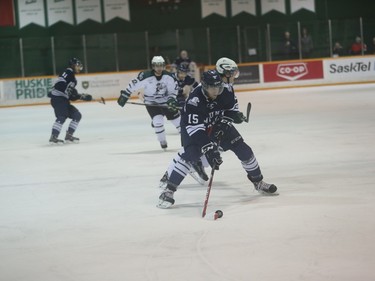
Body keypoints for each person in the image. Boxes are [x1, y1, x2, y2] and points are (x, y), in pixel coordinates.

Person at [157, 68, 277, 209]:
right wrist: (210, 149)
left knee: (244, 150)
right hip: (194, 129)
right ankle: (168, 191)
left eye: (218, 87)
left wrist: (227, 121)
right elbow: (196, 130)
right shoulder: (194, 100)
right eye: (212, 88)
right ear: (205, 86)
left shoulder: (225, 90)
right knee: (190, 156)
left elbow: (231, 110)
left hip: (216, 124)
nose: (216, 91)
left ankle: (258, 182)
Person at [117, 56, 180, 150]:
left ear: (163, 66)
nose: (159, 68)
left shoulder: (169, 77)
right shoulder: (145, 76)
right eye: (157, 66)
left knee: (178, 122)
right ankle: (162, 141)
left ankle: (188, 142)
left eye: (161, 65)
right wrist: (126, 94)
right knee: (157, 122)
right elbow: (134, 84)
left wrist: (172, 99)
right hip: (151, 102)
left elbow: (173, 91)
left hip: (165, 101)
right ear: (153, 66)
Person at [48, 57, 92, 144]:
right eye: (77, 65)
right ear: (72, 65)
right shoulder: (67, 72)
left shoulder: (74, 80)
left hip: (64, 100)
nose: (79, 67)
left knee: (77, 115)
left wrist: (81, 97)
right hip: (57, 99)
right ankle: (53, 137)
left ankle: (69, 136)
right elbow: (59, 84)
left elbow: (71, 96)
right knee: (62, 116)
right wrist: (69, 90)